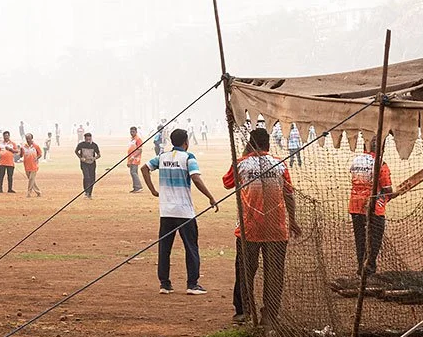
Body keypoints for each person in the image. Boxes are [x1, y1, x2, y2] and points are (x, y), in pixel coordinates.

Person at [224, 127, 302, 322]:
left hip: (248, 229)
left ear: (249, 144)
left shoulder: (241, 163)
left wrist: (243, 154)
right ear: (268, 144)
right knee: (274, 273)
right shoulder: (280, 164)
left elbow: (227, 183)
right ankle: (270, 314)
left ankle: (244, 311)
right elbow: (289, 195)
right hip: (276, 228)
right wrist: (292, 220)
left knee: (245, 271)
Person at [141, 127, 216, 294]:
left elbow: (144, 168)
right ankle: (192, 284)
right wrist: (210, 197)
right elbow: (195, 178)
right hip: (184, 212)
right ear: (186, 142)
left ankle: (165, 284)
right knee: (191, 247)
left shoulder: (162, 157)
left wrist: (153, 190)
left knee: (164, 248)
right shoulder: (188, 157)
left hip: (166, 211)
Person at [348, 135, 394, 280]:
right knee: (374, 240)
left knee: (360, 239)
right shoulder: (380, 163)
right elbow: (387, 189)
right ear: (381, 148)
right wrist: (392, 194)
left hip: (355, 206)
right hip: (374, 208)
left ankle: (361, 267)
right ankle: (370, 270)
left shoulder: (356, 161)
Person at [76, 132, 101, 198]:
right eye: (87, 139)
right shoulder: (81, 145)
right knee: (87, 177)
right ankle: (86, 191)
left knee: (92, 179)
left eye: (89, 139)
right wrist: (80, 158)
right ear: (84, 139)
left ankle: (90, 193)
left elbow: (99, 155)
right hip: (84, 164)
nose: (88, 141)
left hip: (92, 164)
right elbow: (76, 151)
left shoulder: (94, 145)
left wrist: (94, 158)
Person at [21, 132, 43, 196]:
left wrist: (36, 158)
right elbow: (21, 155)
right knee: (32, 180)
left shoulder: (36, 146)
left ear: (32, 139)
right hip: (26, 165)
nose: (28, 140)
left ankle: (29, 192)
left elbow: (40, 154)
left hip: (34, 166)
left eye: (29, 139)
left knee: (31, 179)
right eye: (27, 139)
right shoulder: (24, 146)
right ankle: (38, 192)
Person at [126, 127, 144, 193]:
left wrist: (133, 157)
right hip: (131, 158)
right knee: (133, 172)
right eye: (131, 131)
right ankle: (136, 187)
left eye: (133, 131)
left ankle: (138, 187)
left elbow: (140, 150)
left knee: (133, 172)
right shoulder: (132, 139)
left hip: (135, 158)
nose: (132, 133)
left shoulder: (138, 139)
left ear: (136, 131)